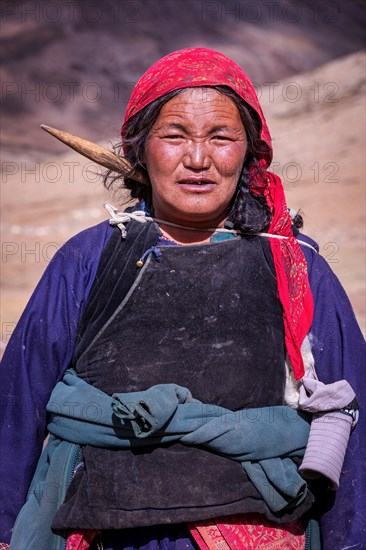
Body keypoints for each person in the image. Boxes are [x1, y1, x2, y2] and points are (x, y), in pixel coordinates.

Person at [0, 47, 364, 550]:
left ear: (250, 151)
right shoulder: (86, 260)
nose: (198, 159)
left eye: (221, 137)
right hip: (104, 529)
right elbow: (16, 408)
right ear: (141, 148)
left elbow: (351, 419)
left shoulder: (294, 266)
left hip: (259, 529)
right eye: (174, 136)